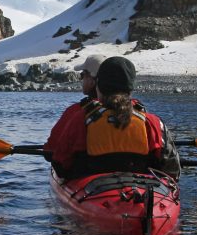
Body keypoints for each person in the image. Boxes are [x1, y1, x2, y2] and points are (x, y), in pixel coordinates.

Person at [43, 56, 181, 180]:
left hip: (90, 193)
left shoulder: (80, 119)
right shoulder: (152, 122)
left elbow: (60, 165)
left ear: (99, 87)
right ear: (130, 90)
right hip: (141, 193)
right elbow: (172, 171)